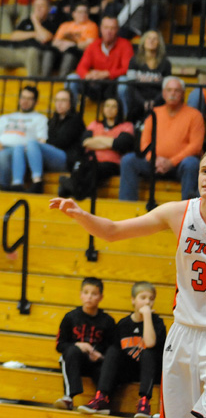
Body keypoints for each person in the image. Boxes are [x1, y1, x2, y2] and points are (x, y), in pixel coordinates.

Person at [50, 174, 206, 418]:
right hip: (183, 334)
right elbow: (113, 231)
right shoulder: (180, 212)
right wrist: (82, 216)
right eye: (204, 170)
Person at [78, 281, 165, 416]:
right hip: (129, 371)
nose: (148, 302)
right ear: (133, 300)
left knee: (148, 352)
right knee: (113, 350)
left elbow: (150, 343)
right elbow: (115, 357)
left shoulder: (158, 322)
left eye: (151, 299)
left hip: (150, 371)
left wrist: (147, 316)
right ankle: (101, 398)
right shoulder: (123, 324)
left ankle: (144, 402)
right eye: (143, 298)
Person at [119, 76, 204, 201]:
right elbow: (145, 143)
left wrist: (171, 162)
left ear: (183, 94)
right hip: (154, 163)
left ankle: (188, 212)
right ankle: (126, 210)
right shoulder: (154, 113)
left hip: (180, 164)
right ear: (163, 94)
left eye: (176, 90)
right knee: (128, 160)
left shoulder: (195, 115)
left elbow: (196, 146)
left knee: (192, 163)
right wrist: (154, 160)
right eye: (169, 90)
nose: (172, 94)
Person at [52, 277, 116, 411]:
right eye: (86, 293)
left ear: (101, 297)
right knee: (70, 352)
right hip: (75, 361)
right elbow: (60, 344)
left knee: (107, 368)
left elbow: (112, 349)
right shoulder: (70, 317)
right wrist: (79, 345)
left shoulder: (108, 321)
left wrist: (100, 356)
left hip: (96, 362)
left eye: (94, 294)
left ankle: (103, 401)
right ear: (81, 294)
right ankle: (69, 397)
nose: (89, 297)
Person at [0, 0, 59, 77]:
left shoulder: (51, 24)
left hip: (33, 54)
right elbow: (14, 36)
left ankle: (32, 85)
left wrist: (35, 21)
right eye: (36, 5)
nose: (38, 8)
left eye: (42, 6)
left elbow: (46, 37)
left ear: (48, 9)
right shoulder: (26, 22)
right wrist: (35, 34)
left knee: (32, 51)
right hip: (16, 51)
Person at [21, 89, 84, 195]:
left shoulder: (76, 120)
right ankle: (17, 183)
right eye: (57, 100)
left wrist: (44, 141)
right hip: (53, 156)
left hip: (67, 159)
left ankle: (37, 182)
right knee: (23, 147)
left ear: (71, 103)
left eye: (63, 100)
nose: (59, 103)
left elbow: (62, 141)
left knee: (33, 143)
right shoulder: (52, 121)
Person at [66, 16, 133, 104]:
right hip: (94, 83)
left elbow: (127, 69)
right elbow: (81, 67)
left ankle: (125, 115)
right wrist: (87, 75)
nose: (108, 31)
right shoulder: (93, 45)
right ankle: (71, 113)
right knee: (71, 78)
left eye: (112, 28)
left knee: (123, 82)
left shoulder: (125, 45)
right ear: (101, 29)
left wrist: (107, 74)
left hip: (113, 84)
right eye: (106, 28)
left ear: (117, 30)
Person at [78, 98, 136, 185]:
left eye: (113, 106)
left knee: (96, 169)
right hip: (91, 160)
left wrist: (96, 140)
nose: (109, 109)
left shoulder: (126, 126)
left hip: (112, 163)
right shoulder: (95, 124)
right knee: (82, 167)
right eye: (107, 106)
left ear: (119, 109)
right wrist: (110, 142)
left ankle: (74, 189)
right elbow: (85, 142)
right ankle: (76, 189)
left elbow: (121, 144)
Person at [119, 30, 171, 123]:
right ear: (143, 41)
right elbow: (131, 85)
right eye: (148, 38)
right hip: (137, 102)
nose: (151, 41)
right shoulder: (134, 61)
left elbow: (166, 87)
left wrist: (154, 102)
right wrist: (143, 102)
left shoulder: (166, 63)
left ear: (159, 43)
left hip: (158, 103)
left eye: (155, 39)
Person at [46, 1, 98, 78]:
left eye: (85, 12)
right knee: (50, 51)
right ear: (73, 13)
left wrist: (73, 45)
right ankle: (44, 78)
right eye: (80, 12)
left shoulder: (92, 26)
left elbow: (90, 44)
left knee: (71, 51)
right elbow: (55, 42)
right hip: (61, 51)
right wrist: (65, 45)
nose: (83, 14)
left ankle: (62, 79)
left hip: (78, 53)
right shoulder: (65, 25)